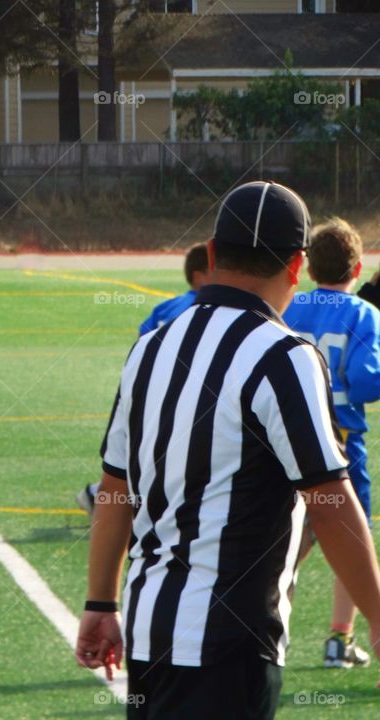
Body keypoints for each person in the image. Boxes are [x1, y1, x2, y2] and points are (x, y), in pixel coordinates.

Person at [76, 181, 380, 720]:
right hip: (230, 640)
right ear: (296, 265)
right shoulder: (284, 354)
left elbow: (115, 491)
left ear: (211, 255)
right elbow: (329, 500)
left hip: (150, 631)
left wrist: (101, 602)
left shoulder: (151, 347)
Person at [282, 217, 380, 669]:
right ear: (357, 269)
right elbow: (362, 383)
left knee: (285, 542)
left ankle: (268, 630)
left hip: (284, 439)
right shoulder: (364, 314)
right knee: (352, 539)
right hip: (340, 443)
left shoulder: (291, 307)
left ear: (307, 267)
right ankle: (339, 640)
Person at [77, 242, 210, 514]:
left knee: (146, 453)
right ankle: (101, 496)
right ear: (198, 275)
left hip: (151, 389)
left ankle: (102, 494)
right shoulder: (201, 308)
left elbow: (142, 342)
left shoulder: (166, 307)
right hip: (183, 392)